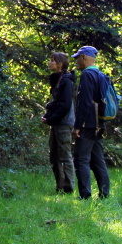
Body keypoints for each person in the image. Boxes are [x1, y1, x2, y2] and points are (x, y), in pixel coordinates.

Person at [71, 45, 111, 199]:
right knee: (98, 160)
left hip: (87, 125)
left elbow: (85, 102)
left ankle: (85, 196)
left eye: (78, 58)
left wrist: (77, 126)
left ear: (85, 58)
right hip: (99, 124)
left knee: (81, 159)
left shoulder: (87, 75)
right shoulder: (101, 75)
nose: (76, 62)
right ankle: (104, 194)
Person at [41, 52, 75, 194]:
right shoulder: (57, 80)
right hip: (56, 123)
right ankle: (60, 187)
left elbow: (65, 105)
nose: (49, 63)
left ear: (60, 64)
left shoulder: (66, 81)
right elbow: (56, 102)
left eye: (52, 60)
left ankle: (69, 188)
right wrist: (48, 115)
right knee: (54, 156)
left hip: (64, 123)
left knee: (65, 155)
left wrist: (51, 118)